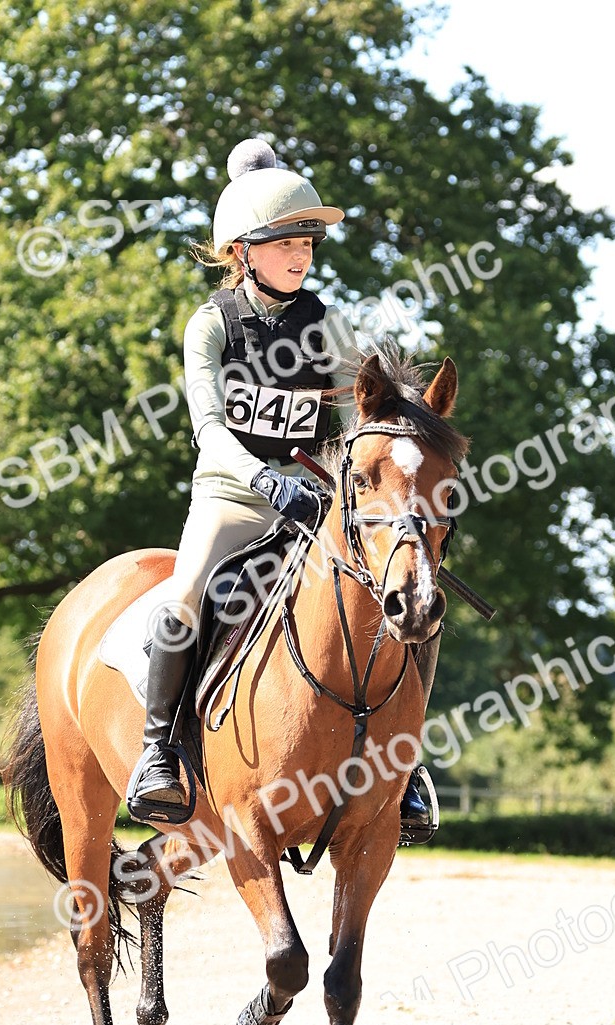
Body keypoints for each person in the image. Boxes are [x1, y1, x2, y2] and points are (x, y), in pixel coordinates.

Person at [128, 138, 438, 842]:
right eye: (286, 241)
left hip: (317, 500)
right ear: (243, 250)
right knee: (186, 597)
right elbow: (209, 427)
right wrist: (265, 477)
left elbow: (372, 409)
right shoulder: (210, 326)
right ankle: (158, 754)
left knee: (410, 593)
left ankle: (406, 762)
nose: (302, 253)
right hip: (233, 498)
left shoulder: (326, 325)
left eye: (308, 240)